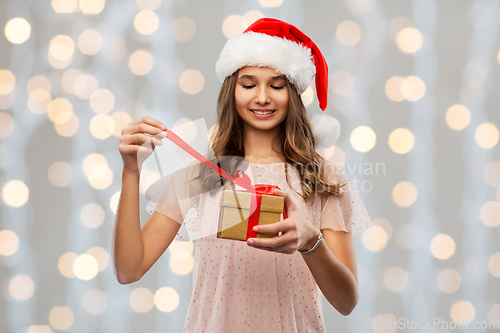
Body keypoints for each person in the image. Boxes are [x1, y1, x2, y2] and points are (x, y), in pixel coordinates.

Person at [113, 18, 372, 332]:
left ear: (293, 94)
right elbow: (129, 270)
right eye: (249, 84)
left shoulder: (322, 180)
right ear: (231, 92)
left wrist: (310, 242)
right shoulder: (200, 174)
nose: (262, 97)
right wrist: (131, 172)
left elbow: (347, 302)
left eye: (276, 85)